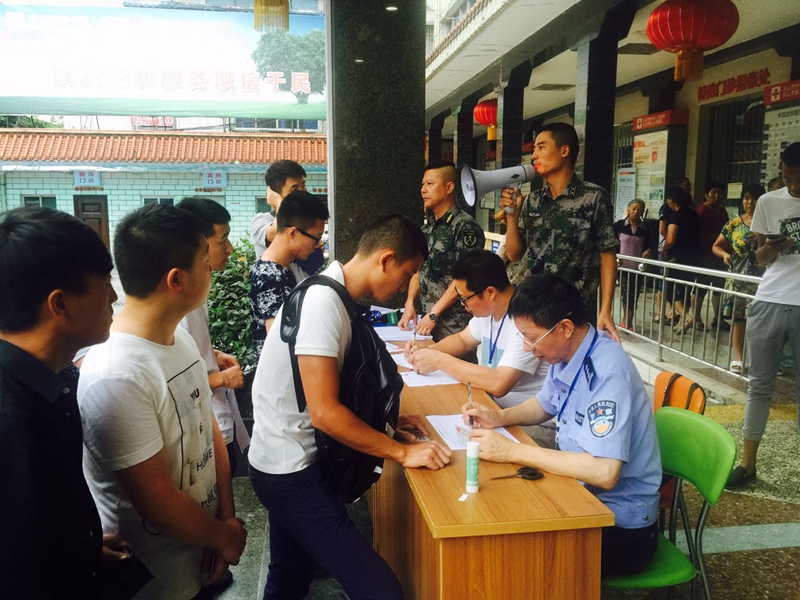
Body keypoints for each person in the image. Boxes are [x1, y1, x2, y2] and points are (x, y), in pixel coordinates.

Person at [249, 214, 452, 600]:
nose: (403, 287)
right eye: (407, 273)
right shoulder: (323, 302)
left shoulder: (335, 294)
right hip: (289, 468)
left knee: (289, 576)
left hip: (283, 458)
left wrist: (385, 427)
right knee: (381, 591)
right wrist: (401, 452)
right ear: (386, 259)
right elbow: (324, 413)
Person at [79, 204, 247, 599]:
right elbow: (158, 502)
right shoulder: (116, 373)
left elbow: (208, 433)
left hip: (201, 559)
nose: (212, 268)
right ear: (176, 279)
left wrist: (225, 522)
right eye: (205, 261)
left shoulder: (179, 338)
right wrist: (224, 537)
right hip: (154, 582)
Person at [463, 273, 661, 576]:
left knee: (511, 553)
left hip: (619, 525)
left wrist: (512, 451)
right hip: (580, 496)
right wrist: (500, 417)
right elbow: (545, 404)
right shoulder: (568, 354)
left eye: (531, 337)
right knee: (499, 516)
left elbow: (604, 472)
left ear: (565, 328)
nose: (528, 348)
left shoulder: (607, 373)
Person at [0, 207, 120, 598]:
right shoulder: (11, 420)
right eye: (105, 285)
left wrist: (81, 548)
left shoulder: (54, 380)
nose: (113, 297)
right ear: (60, 304)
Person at [404, 250, 553, 446]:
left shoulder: (525, 321)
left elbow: (499, 384)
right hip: (494, 411)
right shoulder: (490, 310)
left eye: (464, 298)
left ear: (490, 292)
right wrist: (427, 352)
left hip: (530, 424)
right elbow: (463, 340)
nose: (463, 305)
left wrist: (440, 361)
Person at [500, 122, 620, 342]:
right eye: (534, 149)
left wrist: (606, 309)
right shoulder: (533, 200)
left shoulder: (593, 197)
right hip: (534, 309)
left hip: (574, 312)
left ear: (564, 151)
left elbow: (607, 254)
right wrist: (512, 217)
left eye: (541, 147)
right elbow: (515, 254)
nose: (534, 155)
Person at [726, 142, 800, 490]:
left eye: (798, 179)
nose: (793, 185)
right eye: (787, 178)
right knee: (759, 386)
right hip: (770, 299)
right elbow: (759, 259)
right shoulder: (769, 202)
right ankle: (748, 464)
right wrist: (771, 247)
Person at [177, 197, 250, 477]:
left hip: (216, 421)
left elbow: (187, 349)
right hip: (205, 429)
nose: (230, 248)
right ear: (199, 243)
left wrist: (213, 354)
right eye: (223, 239)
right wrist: (223, 379)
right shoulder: (180, 301)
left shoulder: (198, 291)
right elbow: (171, 380)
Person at [398, 160, 485, 348]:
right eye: (423, 184)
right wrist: (410, 303)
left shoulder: (465, 227)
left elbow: (465, 277)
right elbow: (418, 271)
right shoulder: (427, 229)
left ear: (449, 187)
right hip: (427, 323)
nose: (423, 190)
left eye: (430, 184)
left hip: (455, 325)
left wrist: (434, 313)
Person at [249, 190, 329, 361]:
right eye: (316, 238)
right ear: (293, 232)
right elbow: (281, 342)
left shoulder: (282, 268)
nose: (318, 245)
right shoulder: (271, 276)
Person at [712, 184, 765, 374]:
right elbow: (716, 246)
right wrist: (725, 255)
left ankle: (761, 359)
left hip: (762, 279)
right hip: (738, 279)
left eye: (754, 198)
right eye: (746, 198)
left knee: (761, 321)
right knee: (739, 319)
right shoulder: (734, 224)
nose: (750, 202)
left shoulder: (768, 222)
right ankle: (739, 358)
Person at [250, 159, 324, 277]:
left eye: (303, 186)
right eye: (295, 189)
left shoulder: (306, 222)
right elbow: (278, 232)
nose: (302, 193)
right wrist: (279, 202)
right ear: (275, 194)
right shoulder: (260, 221)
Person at [662, 186, 702, 333]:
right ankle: (681, 324)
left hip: (678, 257)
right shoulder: (694, 214)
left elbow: (670, 239)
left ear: (671, 200)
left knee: (671, 290)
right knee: (685, 290)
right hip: (695, 257)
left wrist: (664, 248)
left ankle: (686, 316)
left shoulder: (676, 216)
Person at [693, 181, 731, 332]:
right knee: (701, 288)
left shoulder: (722, 212)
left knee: (718, 287)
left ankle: (718, 318)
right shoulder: (702, 211)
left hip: (720, 256)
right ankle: (696, 318)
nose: (717, 196)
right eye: (713, 192)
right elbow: (700, 234)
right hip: (705, 255)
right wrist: (719, 237)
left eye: (719, 193)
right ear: (706, 195)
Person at [654, 177, 692, 324]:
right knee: (664, 282)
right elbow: (663, 230)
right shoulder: (667, 208)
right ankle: (660, 313)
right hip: (668, 250)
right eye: (686, 185)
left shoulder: (687, 209)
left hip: (680, 252)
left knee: (676, 285)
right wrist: (668, 244)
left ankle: (673, 313)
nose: (689, 188)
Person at [614, 199, 651, 330]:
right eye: (634, 209)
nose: (636, 212)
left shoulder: (645, 229)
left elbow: (649, 246)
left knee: (634, 294)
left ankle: (628, 321)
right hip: (622, 267)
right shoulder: (619, 226)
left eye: (639, 210)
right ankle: (627, 321)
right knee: (626, 294)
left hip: (637, 267)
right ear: (628, 210)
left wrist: (648, 251)